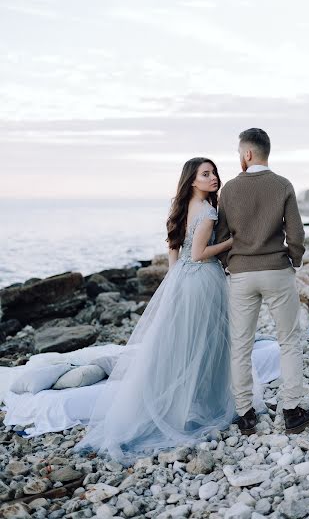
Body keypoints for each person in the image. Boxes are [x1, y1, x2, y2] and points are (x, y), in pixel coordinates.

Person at [74, 157, 260, 466]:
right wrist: (230, 242)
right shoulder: (209, 212)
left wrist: (174, 283)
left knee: (179, 347)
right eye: (206, 174)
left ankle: (179, 406)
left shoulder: (178, 208)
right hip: (204, 281)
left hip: (181, 281)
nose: (213, 177)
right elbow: (200, 254)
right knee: (210, 345)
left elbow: (175, 251)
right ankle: (205, 406)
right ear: (192, 180)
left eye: (213, 172)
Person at [215, 128, 309, 435]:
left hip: (242, 275)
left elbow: (222, 236)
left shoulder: (230, 190)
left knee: (241, 345)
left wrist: (230, 264)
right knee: (288, 341)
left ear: (248, 154)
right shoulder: (283, 184)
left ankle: (246, 414)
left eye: (239, 153)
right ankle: (292, 411)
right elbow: (297, 234)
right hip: (277, 270)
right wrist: (294, 261)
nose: (239, 158)